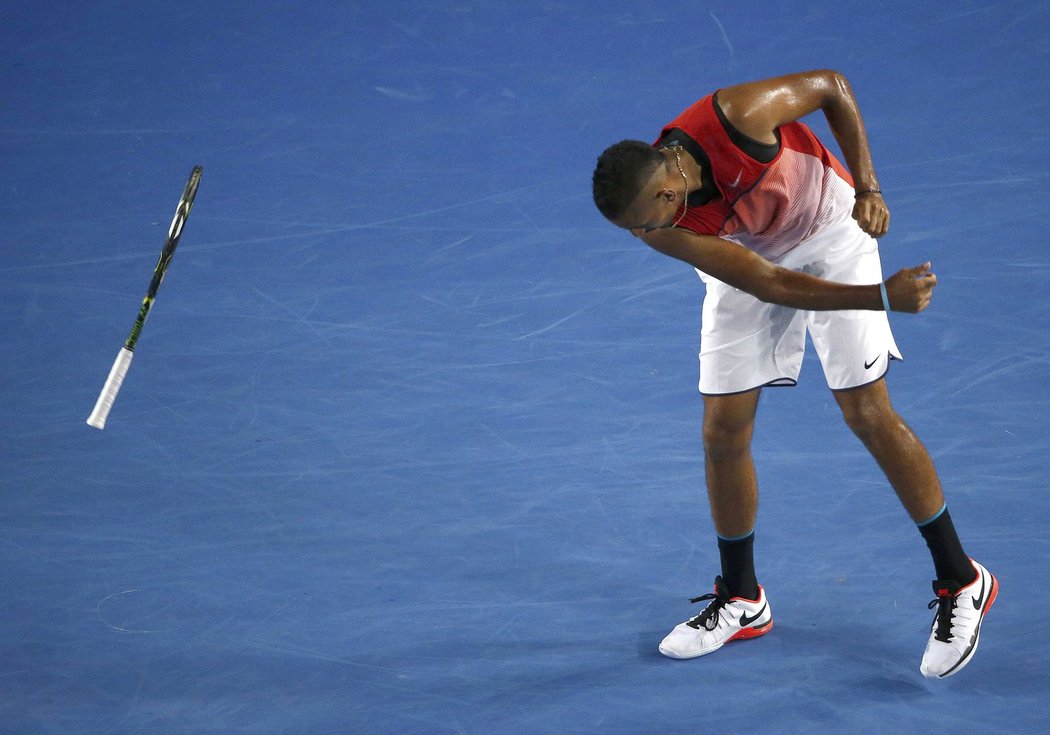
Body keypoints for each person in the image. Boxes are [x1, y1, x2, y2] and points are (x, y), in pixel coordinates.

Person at [591, 70, 996, 678]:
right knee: (722, 432)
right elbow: (769, 283)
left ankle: (962, 578)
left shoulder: (734, 116)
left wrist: (868, 185)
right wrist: (882, 298)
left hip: (831, 232)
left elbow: (832, 86)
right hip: (753, 257)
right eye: (635, 229)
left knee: (866, 412)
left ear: (670, 177)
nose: (646, 235)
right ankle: (743, 597)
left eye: (648, 218)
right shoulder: (659, 229)